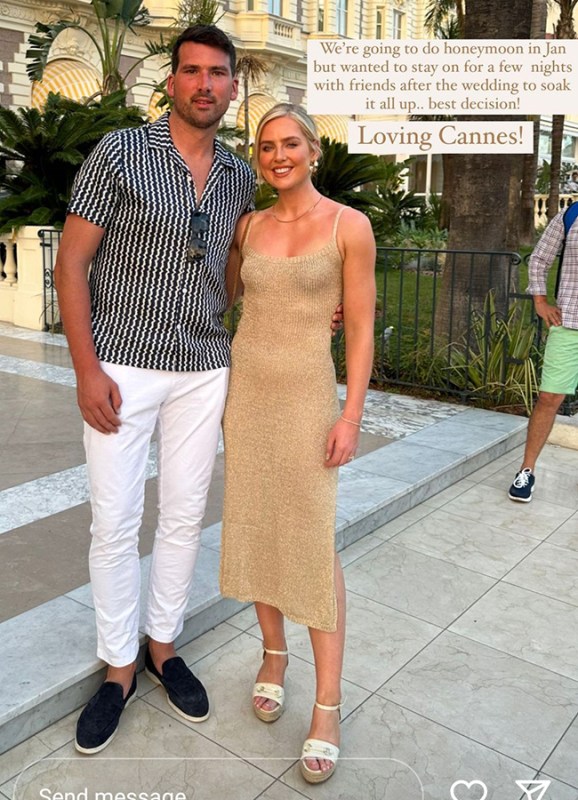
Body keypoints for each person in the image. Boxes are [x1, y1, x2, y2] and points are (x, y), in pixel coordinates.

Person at [54, 25, 255, 753]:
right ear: (172, 82)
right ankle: (119, 667)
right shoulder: (119, 152)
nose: (205, 84)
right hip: (122, 364)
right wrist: (86, 369)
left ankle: (162, 646)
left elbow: (238, 270)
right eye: (192, 71)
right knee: (114, 521)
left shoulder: (239, 175)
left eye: (218, 73)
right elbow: (70, 264)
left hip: (203, 365)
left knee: (184, 514)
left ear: (233, 87)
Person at [219, 104, 376, 784]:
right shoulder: (247, 225)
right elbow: (225, 299)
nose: (277, 155)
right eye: (265, 146)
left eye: (290, 143)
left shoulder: (349, 226)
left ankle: (328, 704)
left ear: (314, 150)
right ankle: (274, 654)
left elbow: (361, 329)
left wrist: (351, 415)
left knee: (310, 542)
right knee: (257, 527)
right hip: (248, 397)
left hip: (310, 401)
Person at [508, 207, 578, 502]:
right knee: (549, 397)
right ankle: (526, 470)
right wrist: (540, 301)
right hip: (570, 323)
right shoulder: (571, 215)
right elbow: (539, 259)